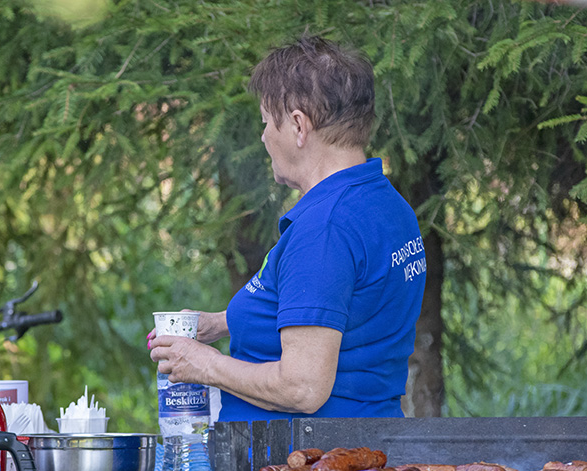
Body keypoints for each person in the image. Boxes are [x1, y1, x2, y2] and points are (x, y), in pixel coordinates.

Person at [149, 35, 426, 422]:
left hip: (305, 469)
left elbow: (302, 388)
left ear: (298, 125)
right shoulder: (386, 205)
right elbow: (340, 304)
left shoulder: (324, 230)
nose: (263, 137)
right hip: (365, 444)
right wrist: (220, 323)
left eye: (266, 122)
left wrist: (203, 365)